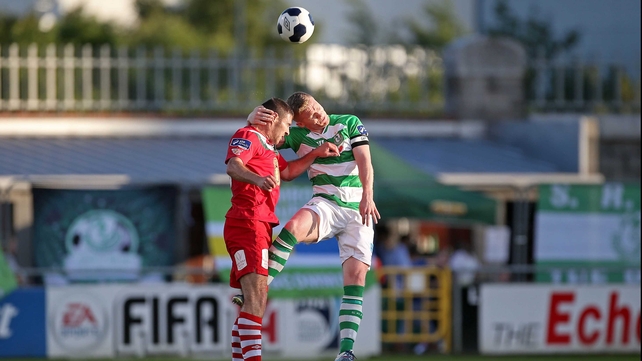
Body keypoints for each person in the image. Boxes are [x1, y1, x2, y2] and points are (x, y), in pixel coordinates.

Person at [241, 92, 381, 361]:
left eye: (318, 107)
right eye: (313, 116)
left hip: (357, 208)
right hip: (326, 203)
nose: (320, 114)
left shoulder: (349, 122)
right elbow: (259, 139)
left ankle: (346, 352)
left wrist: (368, 194)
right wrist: (251, 119)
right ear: (301, 124)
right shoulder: (295, 136)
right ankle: (260, 287)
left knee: (355, 278)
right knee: (292, 227)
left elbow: (365, 160)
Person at [224, 97, 339, 361]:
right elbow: (234, 165)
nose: (288, 133)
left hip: (258, 225)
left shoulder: (268, 147)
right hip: (248, 222)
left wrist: (315, 153)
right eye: (287, 125)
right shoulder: (249, 135)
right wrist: (257, 179)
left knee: (255, 297)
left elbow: (287, 173)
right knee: (256, 297)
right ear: (273, 119)